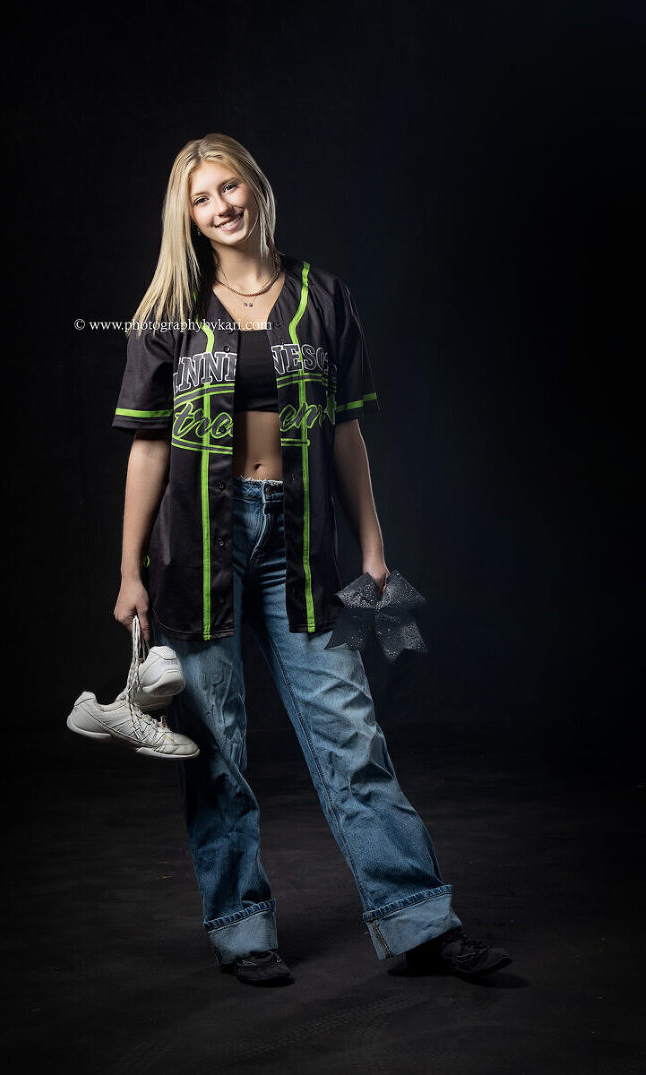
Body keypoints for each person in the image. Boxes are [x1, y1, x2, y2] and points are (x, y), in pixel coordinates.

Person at [111, 133, 511, 986]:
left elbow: (346, 434)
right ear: (186, 215)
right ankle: (243, 930)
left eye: (229, 188)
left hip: (301, 544)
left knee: (352, 737)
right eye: (200, 198)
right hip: (196, 552)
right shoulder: (171, 313)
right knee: (216, 754)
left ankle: (419, 923)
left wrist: (372, 548)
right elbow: (147, 450)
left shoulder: (323, 297)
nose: (220, 207)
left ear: (255, 187)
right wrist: (129, 572)